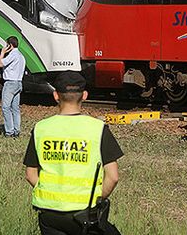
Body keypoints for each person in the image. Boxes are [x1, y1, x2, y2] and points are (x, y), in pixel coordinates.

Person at [24, 71, 123, 235]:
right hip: (84, 214)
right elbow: (113, 177)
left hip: (50, 215)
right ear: (84, 95)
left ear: (56, 95)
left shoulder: (41, 128)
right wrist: (96, 199)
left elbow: (30, 174)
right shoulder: (97, 129)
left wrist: (55, 193)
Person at [0, 36, 26, 137]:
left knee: (6, 107)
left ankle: (9, 131)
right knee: (15, 108)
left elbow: (0, 64)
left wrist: (2, 52)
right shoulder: (21, 56)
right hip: (19, 83)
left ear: (10, 45)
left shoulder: (13, 55)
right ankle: (17, 130)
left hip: (10, 83)